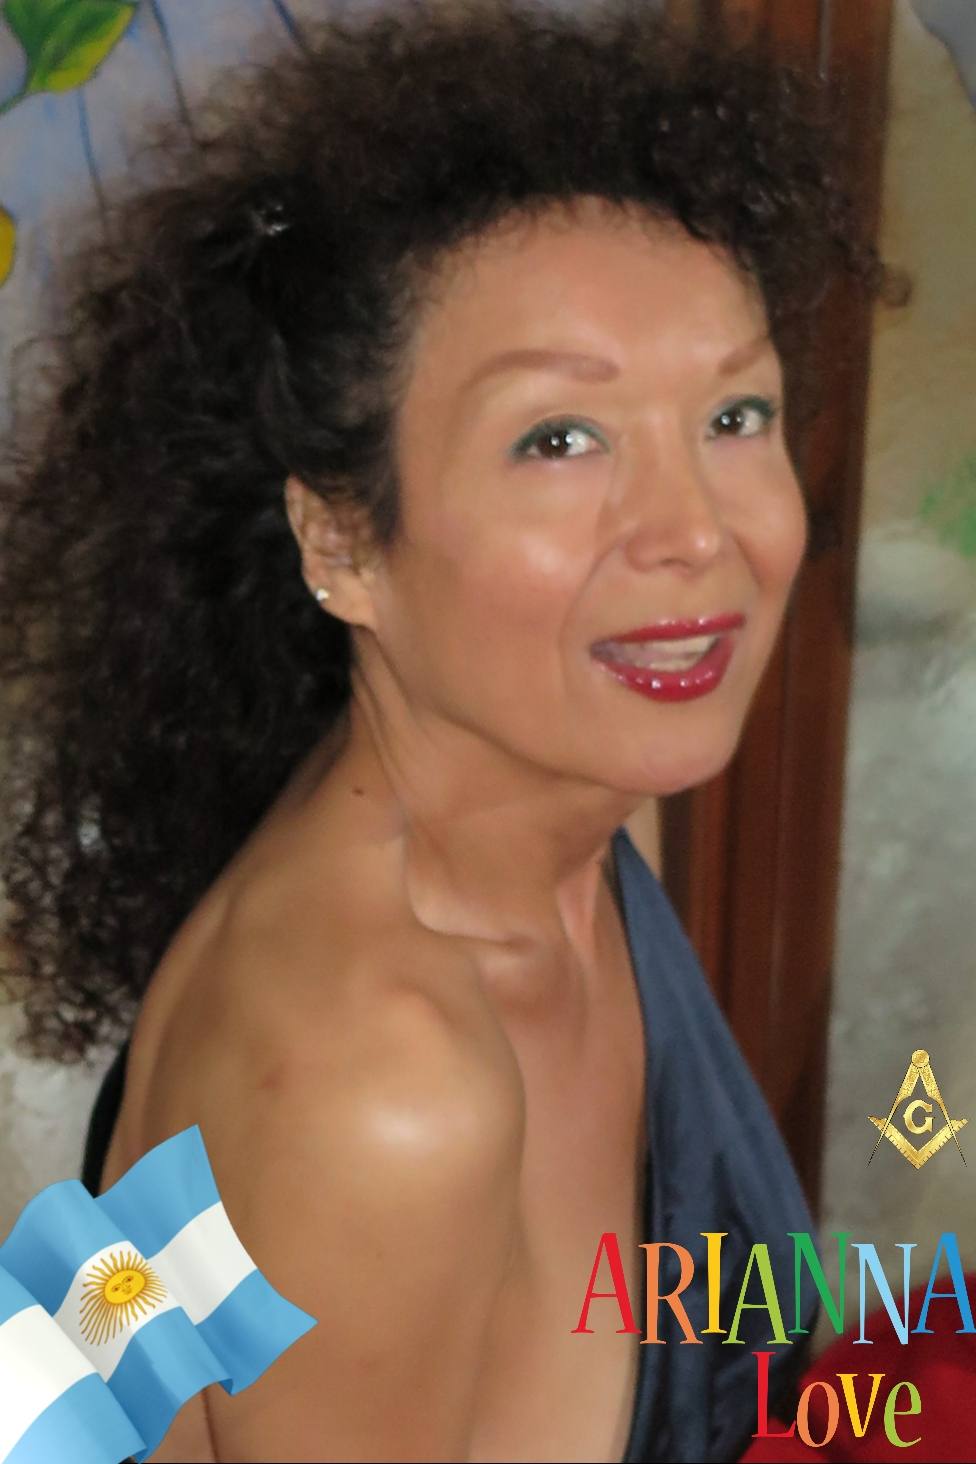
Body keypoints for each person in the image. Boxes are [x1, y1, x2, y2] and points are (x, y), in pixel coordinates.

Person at [0, 2, 890, 1459]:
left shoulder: (556, 832)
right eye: (560, 439)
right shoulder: (385, 1081)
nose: (694, 533)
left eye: (736, 415)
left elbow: (98, 1372)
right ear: (344, 540)